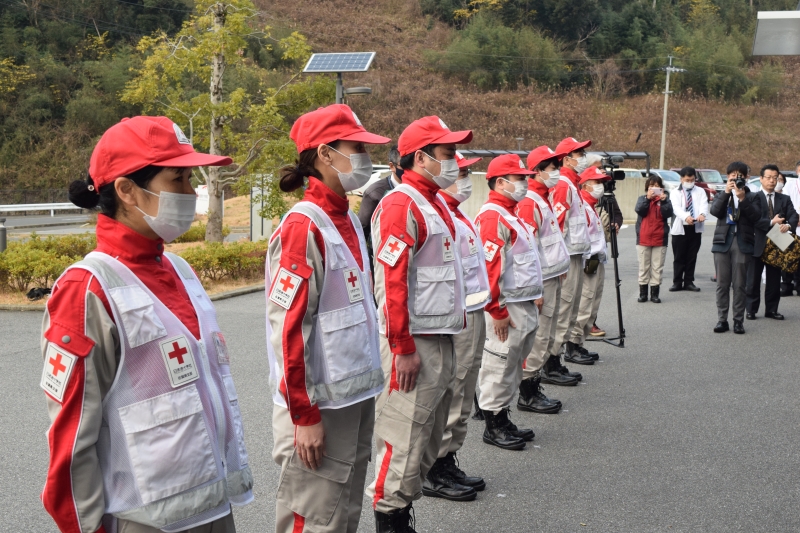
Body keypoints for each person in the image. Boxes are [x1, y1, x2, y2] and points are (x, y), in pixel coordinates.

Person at [41, 116, 252, 533]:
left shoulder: (179, 268)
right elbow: (70, 439)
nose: (192, 193)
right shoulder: (88, 290)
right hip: (143, 520)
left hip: (214, 507)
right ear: (126, 190)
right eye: (179, 179)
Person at [266, 104, 390, 533]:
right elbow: (289, 329)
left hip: (351, 398)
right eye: (357, 148)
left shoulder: (347, 220)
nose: (365, 159)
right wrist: (304, 415)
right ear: (325, 154)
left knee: (343, 512)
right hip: (317, 408)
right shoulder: (305, 226)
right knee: (316, 516)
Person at [365, 116, 473, 532]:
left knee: (427, 435)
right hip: (414, 343)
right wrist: (402, 347)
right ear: (421, 158)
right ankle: (389, 517)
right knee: (403, 433)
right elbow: (390, 282)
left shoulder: (434, 203)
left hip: (440, 335)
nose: (454, 162)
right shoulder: (400, 204)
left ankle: (402, 507)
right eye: (447, 155)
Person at [426, 150, 490, 500]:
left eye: (466, 172)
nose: (464, 178)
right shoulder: (439, 215)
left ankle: (448, 458)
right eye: (460, 171)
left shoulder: (457, 215)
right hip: (455, 318)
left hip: (472, 311)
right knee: (452, 392)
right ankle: (435, 466)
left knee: (464, 391)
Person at [474, 153, 543, 449]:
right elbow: (491, 268)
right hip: (506, 307)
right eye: (520, 178)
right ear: (501, 182)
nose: (525, 183)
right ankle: (493, 423)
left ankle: (502, 415)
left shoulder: (510, 213)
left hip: (520, 302)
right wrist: (496, 309)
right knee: (499, 364)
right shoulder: (493, 216)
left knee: (512, 364)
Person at [517, 146, 577, 399]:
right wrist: (537, 285)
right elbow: (528, 248)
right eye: (553, 169)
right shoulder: (531, 201)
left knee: (548, 332)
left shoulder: (544, 197)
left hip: (553, 277)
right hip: (543, 281)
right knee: (539, 336)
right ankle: (527, 391)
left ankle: (535, 382)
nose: (557, 172)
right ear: (538, 171)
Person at [551, 137, 595, 366]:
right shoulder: (562, 184)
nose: (583, 158)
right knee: (564, 308)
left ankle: (560, 356)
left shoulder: (572, 184)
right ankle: (552, 360)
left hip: (575, 255)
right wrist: (559, 261)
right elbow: (558, 224)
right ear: (567, 159)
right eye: (579, 154)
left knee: (571, 307)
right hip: (567, 257)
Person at [710, 161, 761, 334]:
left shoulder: (753, 196)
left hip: (742, 242)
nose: (736, 178)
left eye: (740, 175)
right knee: (722, 284)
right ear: (727, 176)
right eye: (733, 175)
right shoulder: (721, 194)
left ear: (747, 177)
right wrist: (726, 193)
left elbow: (755, 217)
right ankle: (722, 320)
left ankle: (738, 321)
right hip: (722, 243)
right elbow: (715, 212)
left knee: (740, 285)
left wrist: (742, 198)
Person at [566, 166, 611, 356]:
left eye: (602, 182)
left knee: (593, 303)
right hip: (587, 261)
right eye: (597, 182)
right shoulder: (582, 206)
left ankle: (580, 342)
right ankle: (572, 344)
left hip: (596, 259)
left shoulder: (592, 207)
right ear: (585, 185)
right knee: (584, 303)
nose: (600, 186)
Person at [745, 164, 798, 320]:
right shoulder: (753, 197)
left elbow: (794, 215)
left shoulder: (784, 198)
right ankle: (751, 310)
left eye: (775, 178)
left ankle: (772, 310)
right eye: (768, 177)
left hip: (778, 243)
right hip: (758, 242)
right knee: (753, 280)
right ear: (761, 179)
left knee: (774, 280)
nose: (772, 181)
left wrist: (788, 225)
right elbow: (753, 219)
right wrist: (770, 222)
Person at [358, 144, 402, 265]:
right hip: (382, 261)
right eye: (404, 165)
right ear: (392, 166)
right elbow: (362, 231)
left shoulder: (418, 190)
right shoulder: (375, 193)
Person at [635, 175, 674, 303]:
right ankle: (643, 294)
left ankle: (655, 294)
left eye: (657, 186)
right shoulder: (642, 199)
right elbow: (640, 210)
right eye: (652, 186)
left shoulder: (665, 201)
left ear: (662, 188)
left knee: (657, 267)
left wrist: (663, 201)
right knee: (643, 267)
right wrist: (648, 198)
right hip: (643, 238)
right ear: (647, 188)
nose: (654, 189)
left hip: (659, 239)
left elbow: (668, 214)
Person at [669, 166, 708, 292]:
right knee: (679, 256)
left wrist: (702, 214)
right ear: (681, 179)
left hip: (695, 227)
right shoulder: (675, 192)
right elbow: (676, 208)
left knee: (692, 256)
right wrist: (686, 217)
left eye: (692, 180)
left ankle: (689, 281)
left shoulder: (700, 191)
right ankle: (677, 282)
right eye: (687, 180)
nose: (690, 182)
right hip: (680, 228)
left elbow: (704, 204)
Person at [778, 170, 800, 296]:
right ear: (798, 170)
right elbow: (784, 204)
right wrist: (795, 218)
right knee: (788, 257)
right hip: (791, 227)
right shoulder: (790, 185)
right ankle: (786, 286)